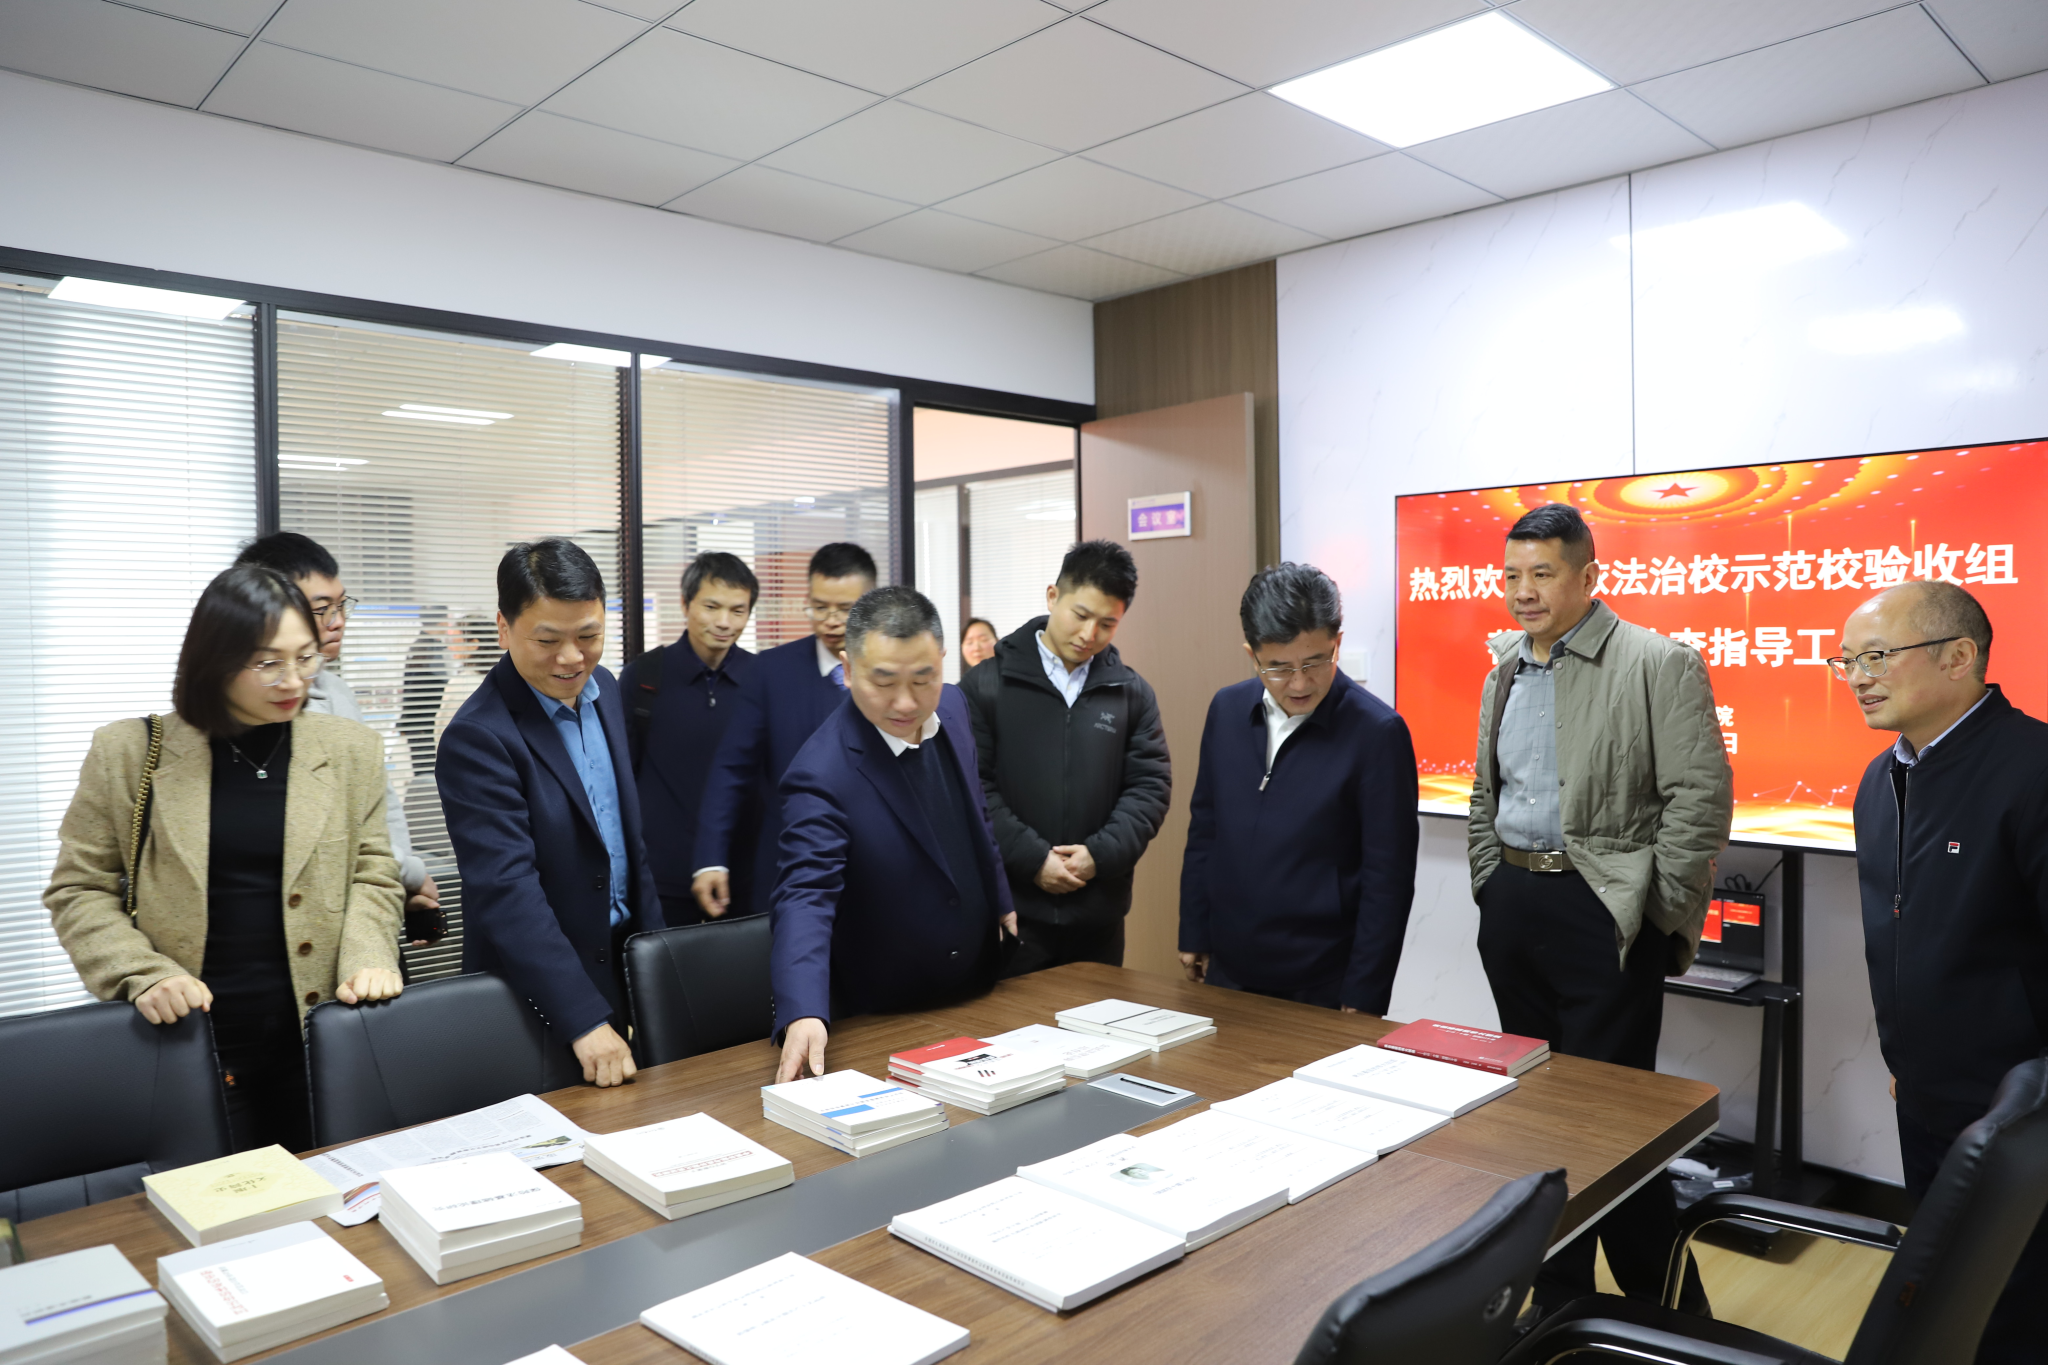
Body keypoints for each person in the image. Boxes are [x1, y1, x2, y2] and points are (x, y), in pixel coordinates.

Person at [1467, 503, 1728, 1316]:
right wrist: (1489, 883)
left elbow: (1699, 797)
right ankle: (1561, 1302)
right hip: (1515, 906)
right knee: (1539, 1118)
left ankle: (1674, 1313)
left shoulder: (1656, 661)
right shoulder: (1504, 669)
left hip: (1606, 912)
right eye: (1512, 574)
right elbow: (1486, 792)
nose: (1523, 591)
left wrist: (1654, 913)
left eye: (1542, 574)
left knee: (1610, 1128)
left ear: (1588, 576)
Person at [46, 565, 404, 1151]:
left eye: (306, 658)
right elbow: (79, 888)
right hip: (191, 1040)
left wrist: (369, 955)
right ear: (213, 661)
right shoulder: (129, 752)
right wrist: (142, 973)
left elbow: (373, 871)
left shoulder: (349, 749)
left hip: (323, 1039)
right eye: (267, 663)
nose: (294, 680)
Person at [1837, 579, 2048, 1362]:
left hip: (2021, 1112)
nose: (1858, 677)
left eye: (1877, 656)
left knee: (2016, 1304)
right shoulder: (1878, 779)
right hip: (1925, 1094)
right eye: (1846, 661)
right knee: (1943, 1288)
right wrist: (1908, 1056)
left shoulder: (2033, 767)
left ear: (1959, 656)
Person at [435, 539, 662, 1088]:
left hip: (625, 965)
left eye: (588, 636)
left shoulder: (605, 690)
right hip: (538, 995)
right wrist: (583, 1018)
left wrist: (661, 962)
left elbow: (627, 843)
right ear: (504, 628)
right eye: (548, 640)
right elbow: (507, 890)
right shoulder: (478, 737)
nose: (572, 658)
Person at [772, 585, 1016, 1082]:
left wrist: (1002, 900)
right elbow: (805, 895)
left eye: (923, 678)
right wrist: (803, 1011)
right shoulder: (821, 771)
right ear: (848, 670)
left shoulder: (953, 706)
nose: (906, 702)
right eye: (883, 681)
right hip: (887, 1012)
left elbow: (976, 812)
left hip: (980, 988)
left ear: (942, 663)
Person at [1178, 563, 1417, 1013]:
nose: (1300, 683)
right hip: (1227, 966)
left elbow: (1388, 879)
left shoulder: (1377, 733)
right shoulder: (1227, 710)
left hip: (1322, 978)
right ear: (1252, 655)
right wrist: (1193, 929)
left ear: (1337, 643)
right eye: (1279, 668)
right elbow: (1206, 828)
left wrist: (1364, 994)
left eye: (1315, 662)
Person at [960, 540, 1168, 975]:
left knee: (1101, 1019)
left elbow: (1149, 788)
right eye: (1081, 615)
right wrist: (1034, 860)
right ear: (1053, 596)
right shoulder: (986, 685)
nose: (1089, 635)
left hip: (1099, 917)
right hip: (1012, 913)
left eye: (1107, 624)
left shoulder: (1131, 693)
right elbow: (973, 787)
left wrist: (1098, 855)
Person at [234, 532, 443, 947]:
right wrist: (411, 873)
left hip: (367, 914)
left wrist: (404, 877)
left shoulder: (339, 693)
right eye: (322, 608)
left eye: (341, 604)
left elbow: (379, 801)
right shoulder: (253, 713)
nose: (338, 620)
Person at [691, 543, 876, 920]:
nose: (831, 620)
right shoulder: (772, 671)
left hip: (877, 869)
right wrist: (710, 858)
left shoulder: (894, 671)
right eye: (819, 607)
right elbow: (732, 769)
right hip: (789, 868)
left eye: (845, 609)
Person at [621, 552, 762, 928]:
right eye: (711, 607)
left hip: (741, 875)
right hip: (662, 875)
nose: (724, 622)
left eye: (738, 610)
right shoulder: (645, 677)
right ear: (685, 604)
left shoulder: (763, 679)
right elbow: (621, 776)